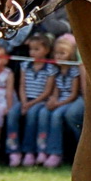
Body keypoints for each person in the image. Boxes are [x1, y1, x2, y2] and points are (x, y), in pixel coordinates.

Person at [6, 32, 58, 167]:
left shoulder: (51, 69)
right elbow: (22, 86)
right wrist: (23, 102)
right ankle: (13, 150)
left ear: (46, 50)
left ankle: (33, 151)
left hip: (39, 101)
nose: (32, 53)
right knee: (12, 113)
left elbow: (47, 91)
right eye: (31, 49)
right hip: (25, 100)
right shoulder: (25, 65)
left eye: (37, 49)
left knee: (32, 115)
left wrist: (30, 104)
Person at [37, 34, 83, 168]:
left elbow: (73, 95)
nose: (58, 56)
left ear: (70, 55)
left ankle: (55, 152)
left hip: (68, 101)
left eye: (62, 53)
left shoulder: (74, 71)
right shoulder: (56, 71)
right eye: (56, 53)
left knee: (56, 115)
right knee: (44, 113)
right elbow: (56, 91)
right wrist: (53, 100)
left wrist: (58, 104)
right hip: (60, 101)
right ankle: (42, 149)